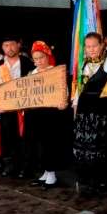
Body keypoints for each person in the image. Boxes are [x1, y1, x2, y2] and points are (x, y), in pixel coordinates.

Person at [72, 33, 107, 190]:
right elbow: (79, 90)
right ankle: (85, 180)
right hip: (84, 112)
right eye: (88, 46)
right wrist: (76, 109)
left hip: (102, 111)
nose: (91, 49)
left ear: (101, 46)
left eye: (94, 46)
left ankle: (101, 180)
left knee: (101, 146)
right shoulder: (83, 63)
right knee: (84, 147)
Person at [0, 35, 35, 177]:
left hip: (25, 107)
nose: (9, 48)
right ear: (2, 48)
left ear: (18, 45)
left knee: (26, 137)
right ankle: (10, 165)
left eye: (12, 44)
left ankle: (26, 167)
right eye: (6, 45)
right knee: (8, 136)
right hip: (7, 107)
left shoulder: (27, 62)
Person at [25, 41, 67, 190]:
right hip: (36, 113)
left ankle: (52, 174)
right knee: (40, 143)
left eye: (41, 57)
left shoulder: (56, 71)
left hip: (50, 114)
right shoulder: (32, 73)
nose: (38, 61)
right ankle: (45, 171)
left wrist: (63, 101)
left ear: (48, 56)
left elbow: (63, 91)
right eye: (35, 59)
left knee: (50, 143)